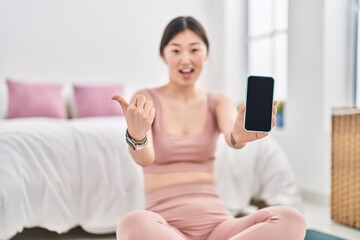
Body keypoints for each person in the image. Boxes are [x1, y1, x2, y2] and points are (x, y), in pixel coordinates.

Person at [112, 16, 306, 240]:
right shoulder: (146, 98)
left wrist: (240, 135)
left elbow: (233, 137)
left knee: (292, 219)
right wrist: (136, 134)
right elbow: (144, 159)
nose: (186, 59)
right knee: (132, 223)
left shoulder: (217, 101)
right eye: (176, 51)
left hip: (219, 228)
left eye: (194, 50)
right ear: (163, 54)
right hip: (166, 229)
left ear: (206, 53)